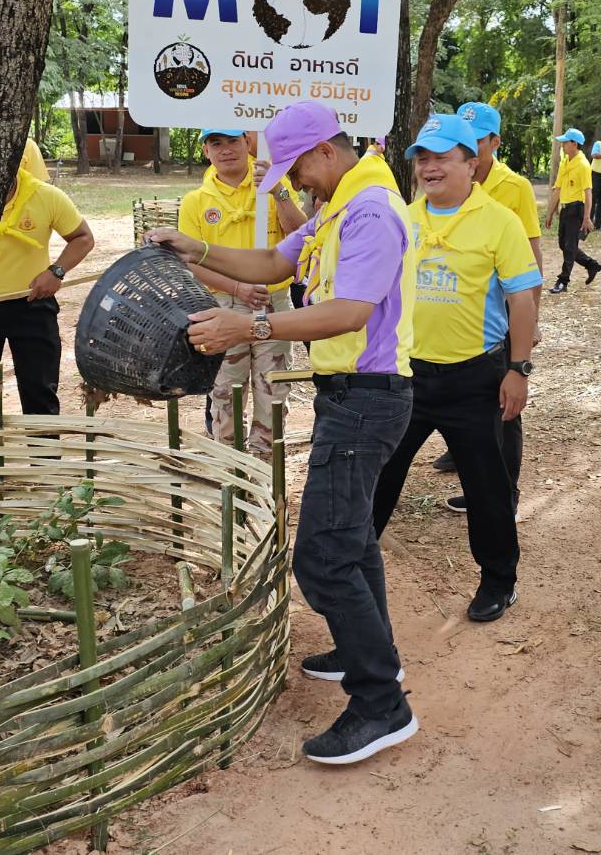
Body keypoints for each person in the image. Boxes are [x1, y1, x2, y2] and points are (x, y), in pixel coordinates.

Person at [149, 101, 418, 766]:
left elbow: (349, 309)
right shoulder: (337, 205)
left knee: (321, 559)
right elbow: (274, 261)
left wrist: (253, 328)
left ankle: (381, 702)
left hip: (368, 398)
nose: (295, 185)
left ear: (325, 151)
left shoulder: (371, 212)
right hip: (347, 394)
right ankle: (374, 652)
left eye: (296, 171)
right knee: (351, 541)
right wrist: (197, 248)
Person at [371, 114, 540, 621]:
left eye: (442, 157)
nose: (429, 167)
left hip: (477, 379)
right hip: (407, 377)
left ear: (471, 163)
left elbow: (523, 300)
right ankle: (351, 571)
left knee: (487, 489)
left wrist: (518, 369)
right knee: (378, 478)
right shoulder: (404, 218)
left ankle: (498, 581)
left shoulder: (500, 222)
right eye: (422, 158)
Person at [434, 101, 545, 501]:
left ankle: (506, 491)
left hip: (496, 318)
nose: (472, 146)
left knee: (505, 410)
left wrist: (530, 324)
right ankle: (466, 469)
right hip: (453, 311)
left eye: (479, 140)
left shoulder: (513, 187)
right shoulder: (440, 179)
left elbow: (531, 253)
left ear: (494, 142)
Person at [177, 128, 307, 458]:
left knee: (273, 393)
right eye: (216, 143)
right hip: (222, 306)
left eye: (233, 141)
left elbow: (303, 237)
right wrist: (237, 287)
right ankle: (231, 481)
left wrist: (278, 191)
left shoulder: (273, 187)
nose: (226, 150)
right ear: (206, 150)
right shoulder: (196, 202)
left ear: (247, 143)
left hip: (272, 304)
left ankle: (264, 480)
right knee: (225, 394)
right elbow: (189, 260)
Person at [0, 160, 95, 415]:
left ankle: (45, 454)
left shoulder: (46, 196)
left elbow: (83, 238)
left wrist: (56, 272)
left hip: (33, 304)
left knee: (39, 392)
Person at [545, 128, 601, 294]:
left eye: (565, 142)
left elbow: (588, 191)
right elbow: (558, 189)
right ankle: (591, 265)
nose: (562, 145)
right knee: (563, 244)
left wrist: (587, 217)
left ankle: (563, 281)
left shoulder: (583, 165)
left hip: (577, 208)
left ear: (574, 144)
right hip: (566, 209)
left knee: (570, 246)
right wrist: (550, 213)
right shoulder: (565, 162)